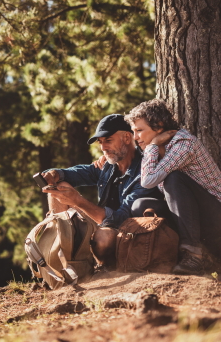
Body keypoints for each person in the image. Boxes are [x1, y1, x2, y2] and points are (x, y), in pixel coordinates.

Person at [41, 114, 163, 267]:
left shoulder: (145, 171)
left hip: (124, 233)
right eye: (100, 142)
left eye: (108, 141)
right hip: (102, 224)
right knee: (59, 185)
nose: (103, 147)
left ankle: (101, 268)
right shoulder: (107, 165)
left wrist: (78, 201)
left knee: (103, 238)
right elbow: (76, 173)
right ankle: (60, 261)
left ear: (127, 137)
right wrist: (55, 173)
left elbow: (120, 219)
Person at [123, 99, 221, 275]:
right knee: (140, 205)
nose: (135, 137)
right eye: (133, 131)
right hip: (193, 217)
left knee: (173, 179)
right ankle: (169, 253)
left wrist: (152, 146)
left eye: (139, 131)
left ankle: (193, 255)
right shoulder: (152, 149)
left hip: (216, 216)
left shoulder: (183, 143)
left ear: (159, 126)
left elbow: (148, 180)